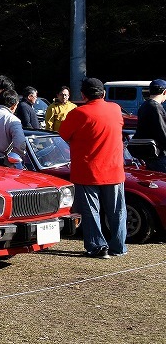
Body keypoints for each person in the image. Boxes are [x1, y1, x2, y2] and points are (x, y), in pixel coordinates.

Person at [59, 78, 127, 258]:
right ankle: (119, 245)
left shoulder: (79, 113)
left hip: (87, 170)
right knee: (117, 211)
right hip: (113, 169)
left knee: (90, 212)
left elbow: (63, 134)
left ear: (83, 94)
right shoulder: (115, 109)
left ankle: (98, 246)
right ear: (103, 93)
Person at [132, 79, 166, 173]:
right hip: (158, 154)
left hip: (148, 153)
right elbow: (162, 132)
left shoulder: (144, 106)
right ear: (164, 92)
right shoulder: (156, 107)